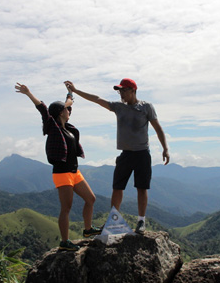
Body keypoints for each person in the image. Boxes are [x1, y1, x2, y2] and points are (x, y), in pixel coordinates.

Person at [65, 78, 169, 233]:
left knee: (142, 188)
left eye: (124, 90)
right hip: (125, 154)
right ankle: (113, 220)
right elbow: (97, 99)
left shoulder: (146, 107)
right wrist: (76, 90)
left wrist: (165, 148)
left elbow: (158, 128)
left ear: (133, 90)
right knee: (117, 188)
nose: (121, 94)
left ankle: (141, 222)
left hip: (142, 154)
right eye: (119, 91)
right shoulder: (118, 107)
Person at [15, 82, 102, 251]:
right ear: (60, 113)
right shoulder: (53, 127)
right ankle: (64, 241)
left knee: (91, 199)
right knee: (66, 208)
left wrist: (70, 93)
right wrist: (28, 93)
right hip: (62, 173)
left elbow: (68, 103)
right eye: (66, 110)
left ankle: (88, 229)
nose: (69, 111)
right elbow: (42, 108)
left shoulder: (68, 127)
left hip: (74, 172)